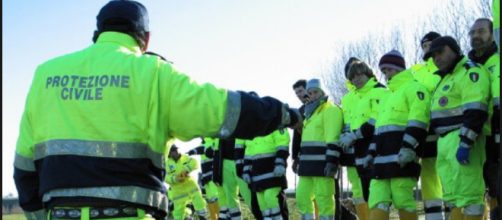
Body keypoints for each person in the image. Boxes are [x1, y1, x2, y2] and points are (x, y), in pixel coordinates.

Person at [12, 1, 301, 219]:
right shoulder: (153, 73)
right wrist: (284, 114)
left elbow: (24, 167)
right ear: (146, 39)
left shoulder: (45, 75)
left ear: (97, 34)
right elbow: (222, 109)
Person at [425, 36, 491, 220]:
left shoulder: (469, 72)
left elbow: (476, 109)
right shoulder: (446, 78)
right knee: (452, 197)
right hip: (445, 142)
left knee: (469, 196)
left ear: (454, 49)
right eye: (433, 56)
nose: (436, 58)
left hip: (461, 138)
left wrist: (466, 142)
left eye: (440, 52)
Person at [367, 50, 430, 220]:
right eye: (384, 71)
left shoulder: (415, 88)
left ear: (399, 68)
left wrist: (409, 148)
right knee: (377, 200)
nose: (386, 75)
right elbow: (378, 130)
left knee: (403, 200)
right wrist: (371, 153)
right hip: (381, 162)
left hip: (402, 158)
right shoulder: (387, 97)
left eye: (389, 69)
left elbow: (419, 120)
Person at [339, 59, 389, 220]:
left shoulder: (380, 91)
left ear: (368, 73)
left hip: (376, 146)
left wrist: (353, 136)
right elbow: (347, 121)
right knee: (365, 192)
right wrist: (345, 136)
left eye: (359, 74)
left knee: (378, 192)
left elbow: (376, 121)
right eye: (352, 77)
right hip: (357, 149)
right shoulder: (349, 98)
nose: (356, 79)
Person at [295, 78, 343, 220]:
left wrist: (332, 162)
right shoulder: (309, 114)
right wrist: (298, 159)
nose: (313, 95)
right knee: (302, 197)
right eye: (310, 92)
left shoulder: (331, 109)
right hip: (306, 166)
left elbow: (333, 137)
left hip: (323, 165)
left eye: (316, 91)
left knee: (324, 200)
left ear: (322, 91)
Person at [410, 31, 445, 220]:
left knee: (449, 172)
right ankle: (434, 217)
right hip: (424, 129)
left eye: (430, 45)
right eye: (423, 46)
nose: (427, 49)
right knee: (429, 174)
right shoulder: (416, 71)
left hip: (446, 128)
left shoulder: (447, 66)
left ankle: (453, 214)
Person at [468, 18, 500, 220]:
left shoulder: (498, 60)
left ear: (492, 33)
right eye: (472, 33)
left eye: (481, 31)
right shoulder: (468, 68)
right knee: (485, 189)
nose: (476, 36)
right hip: (478, 138)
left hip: (497, 133)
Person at [242, 129, 290, 219]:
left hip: (273, 172)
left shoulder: (275, 122)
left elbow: (282, 143)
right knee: (262, 205)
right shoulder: (252, 130)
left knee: (270, 197)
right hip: (257, 175)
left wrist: (280, 163)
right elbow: (248, 152)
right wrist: (246, 171)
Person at [166, 145, 208, 220]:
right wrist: (176, 179)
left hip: (191, 187)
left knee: (200, 205)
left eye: (176, 150)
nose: (176, 152)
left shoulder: (185, 157)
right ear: (169, 153)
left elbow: (194, 162)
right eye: (173, 151)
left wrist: (185, 170)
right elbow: (166, 178)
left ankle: (203, 218)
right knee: (178, 214)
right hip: (178, 192)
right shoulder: (166, 163)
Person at [186, 138, 220, 220]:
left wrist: (192, 151)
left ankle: (221, 217)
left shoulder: (212, 141)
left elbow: (203, 150)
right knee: (210, 200)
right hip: (206, 177)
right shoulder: (203, 143)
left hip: (213, 176)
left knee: (216, 198)